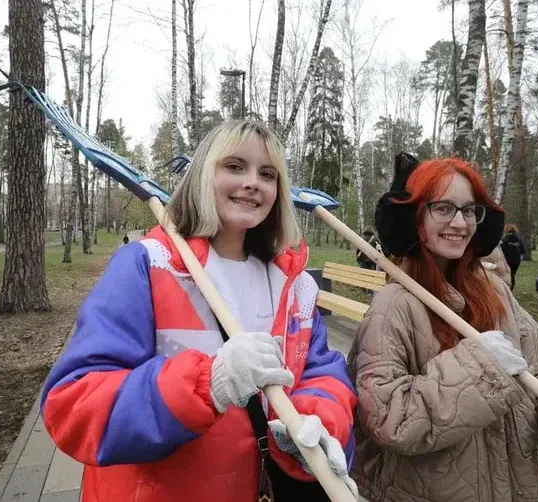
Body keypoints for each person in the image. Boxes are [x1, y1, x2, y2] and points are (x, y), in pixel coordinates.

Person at [40, 120, 358, 502]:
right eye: (235, 167)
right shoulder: (149, 265)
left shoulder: (296, 284)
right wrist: (208, 384)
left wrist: (318, 423)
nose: (253, 182)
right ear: (204, 174)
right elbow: (73, 405)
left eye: (268, 173)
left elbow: (322, 374)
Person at [349, 155, 538, 502]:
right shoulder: (393, 305)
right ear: (417, 218)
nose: (460, 223)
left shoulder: (495, 292)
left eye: (469, 210)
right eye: (444, 209)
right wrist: (481, 367)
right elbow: (388, 419)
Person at [499, 223, 524, 290]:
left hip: (507, 260)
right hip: (516, 261)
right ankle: (511, 288)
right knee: (512, 274)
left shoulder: (504, 240)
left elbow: (500, 249)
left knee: (507, 274)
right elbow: (522, 250)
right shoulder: (518, 240)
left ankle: (507, 288)